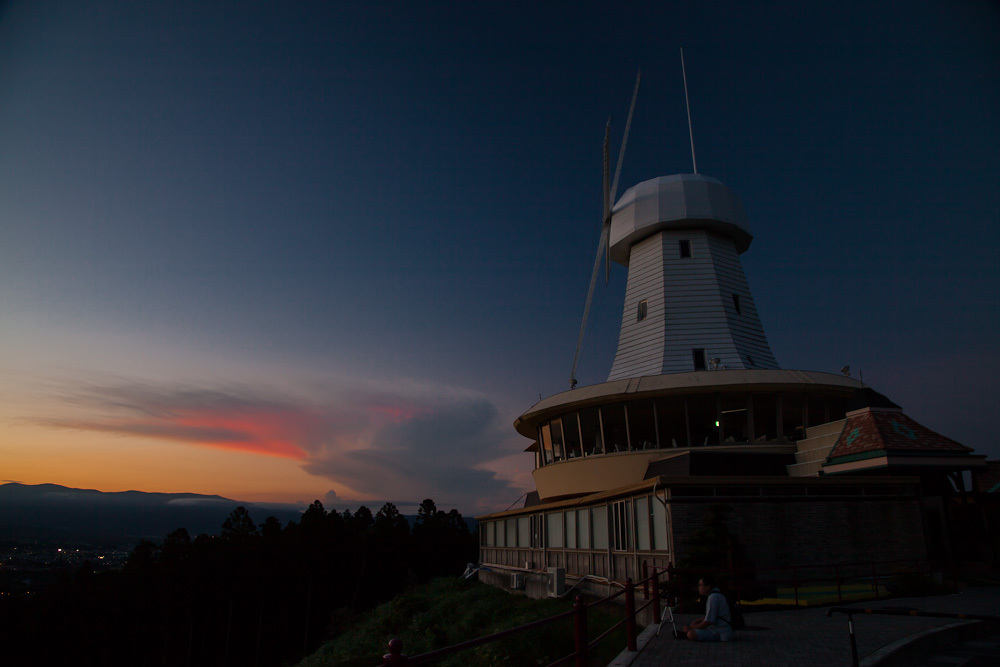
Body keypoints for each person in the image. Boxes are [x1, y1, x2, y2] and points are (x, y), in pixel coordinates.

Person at [681, 575, 734, 642]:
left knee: (691, 634)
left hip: (720, 632)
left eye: (700, 585)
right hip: (723, 630)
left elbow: (708, 622)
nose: (698, 587)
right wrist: (697, 621)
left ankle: (687, 634)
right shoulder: (718, 595)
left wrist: (690, 628)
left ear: (708, 587)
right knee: (695, 630)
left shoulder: (713, 598)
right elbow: (712, 616)